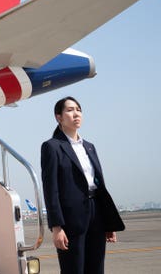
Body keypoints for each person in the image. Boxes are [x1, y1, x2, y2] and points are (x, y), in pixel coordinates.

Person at [40, 96, 125, 274]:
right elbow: (51, 190)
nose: (76, 113)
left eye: (78, 109)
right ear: (59, 117)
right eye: (70, 110)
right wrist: (56, 227)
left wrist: (108, 223)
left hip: (97, 214)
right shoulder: (52, 147)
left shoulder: (90, 147)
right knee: (74, 269)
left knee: (96, 268)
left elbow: (100, 185)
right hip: (71, 218)